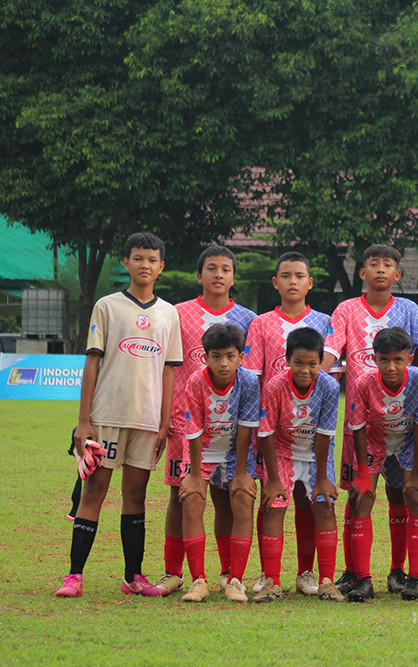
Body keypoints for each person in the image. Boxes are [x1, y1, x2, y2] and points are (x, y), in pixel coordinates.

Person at [56, 232, 182, 598]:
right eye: (138, 258)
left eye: (152, 259)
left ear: (162, 266)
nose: (145, 265)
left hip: (146, 421)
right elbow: (92, 362)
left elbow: (169, 370)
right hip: (107, 415)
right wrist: (84, 420)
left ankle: (133, 577)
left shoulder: (168, 313)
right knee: (93, 491)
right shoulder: (107, 306)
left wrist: (163, 422)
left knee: (137, 497)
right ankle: (74, 576)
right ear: (126, 263)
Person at [324, 244, 418, 596]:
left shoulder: (409, 310)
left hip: (407, 424)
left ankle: (401, 573)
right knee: (360, 494)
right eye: (373, 264)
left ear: (397, 274)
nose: (380, 269)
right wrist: (311, 385)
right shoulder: (346, 308)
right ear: (362, 273)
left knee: (406, 495)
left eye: (388, 264)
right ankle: (356, 573)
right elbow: (331, 353)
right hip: (364, 422)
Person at [156, 245, 256, 596]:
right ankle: (173, 572)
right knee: (179, 496)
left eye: (225, 269)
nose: (218, 274)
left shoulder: (247, 318)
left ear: (233, 276)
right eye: (211, 268)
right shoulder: (177, 314)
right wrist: (165, 413)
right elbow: (166, 367)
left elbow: (252, 373)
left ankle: (230, 574)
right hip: (184, 423)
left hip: (230, 426)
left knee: (227, 499)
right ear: (199, 275)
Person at [243, 251, 333, 597]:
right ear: (275, 282)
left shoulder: (326, 322)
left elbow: (328, 375)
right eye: (286, 275)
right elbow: (251, 378)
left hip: (313, 431)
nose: (292, 281)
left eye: (300, 275)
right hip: (273, 427)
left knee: (312, 503)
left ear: (310, 283)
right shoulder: (262, 323)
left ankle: (309, 574)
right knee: (273, 501)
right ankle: (270, 576)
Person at [344, 328, 418, 602]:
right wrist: (361, 473)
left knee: (415, 496)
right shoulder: (363, 382)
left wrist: (417, 473)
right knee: (362, 498)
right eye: (384, 360)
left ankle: (413, 578)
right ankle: (363, 579)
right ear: (374, 358)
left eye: (398, 359)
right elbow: (358, 428)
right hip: (374, 440)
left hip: (408, 441)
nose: (391, 366)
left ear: (410, 357)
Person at [253, 327, 342, 603]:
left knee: (324, 505)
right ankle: (272, 582)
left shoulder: (329, 386)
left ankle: (326, 581)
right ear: (287, 360)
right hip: (281, 452)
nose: (305, 370)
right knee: (274, 507)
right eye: (298, 363)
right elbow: (265, 433)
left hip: (316, 455)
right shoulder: (275, 386)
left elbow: (326, 433)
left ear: (320, 362)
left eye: (312, 364)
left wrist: (323, 478)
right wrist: (272, 480)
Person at [176, 324, 260, 603]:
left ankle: (234, 579)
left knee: (242, 498)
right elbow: (194, 429)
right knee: (191, 499)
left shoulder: (248, 382)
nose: (223, 363)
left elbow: (247, 427)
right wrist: (197, 474)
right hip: (204, 451)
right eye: (216, 356)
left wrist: (240, 474)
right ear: (205, 357)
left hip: (238, 452)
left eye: (230, 356)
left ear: (240, 356)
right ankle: (198, 581)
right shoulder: (196, 382)